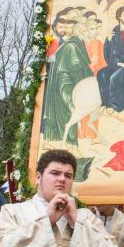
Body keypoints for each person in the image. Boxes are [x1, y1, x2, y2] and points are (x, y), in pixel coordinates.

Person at [42, 9, 94, 147]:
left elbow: (77, 67)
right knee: (57, 110)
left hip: (66, 83)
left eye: (70, 24)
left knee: (68, 109)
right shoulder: (63, 43)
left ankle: (70, 142)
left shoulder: (72, 44)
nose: (65, 28)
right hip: (57, 83)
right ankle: (54, 139)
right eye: (62, 25)